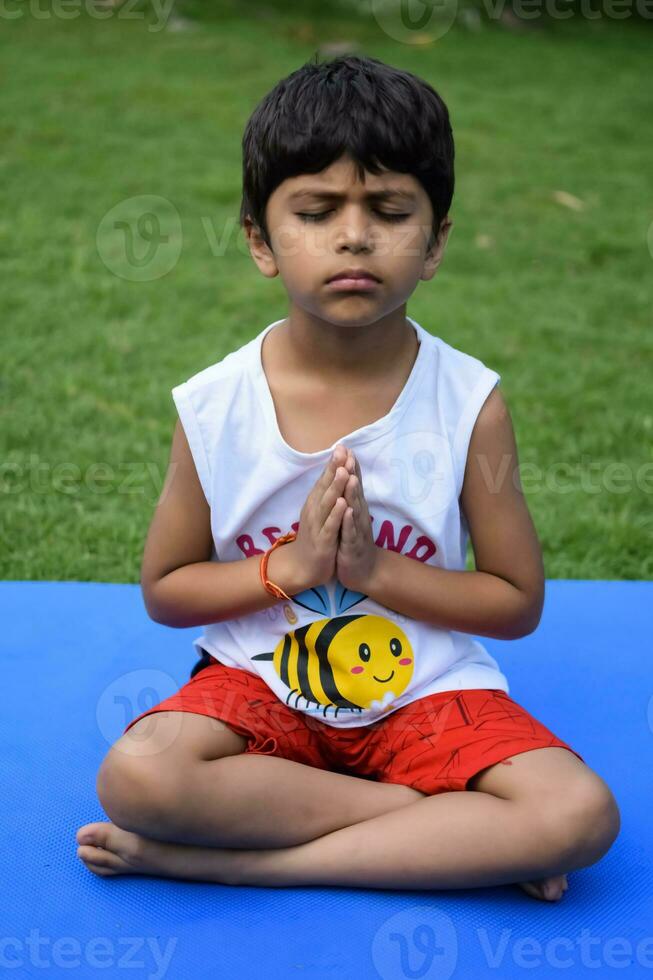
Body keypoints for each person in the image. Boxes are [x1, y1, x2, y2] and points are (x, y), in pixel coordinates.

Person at [76, 54, 620, 900]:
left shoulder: (467, 400)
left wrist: (373, 573)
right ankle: (442, 827)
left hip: (427, 697)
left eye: (390, 210)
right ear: (260, 239)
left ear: (435, 241)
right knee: (138, 778)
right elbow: (166, 590)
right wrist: (287, 570)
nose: (355, 234)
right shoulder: (216, 403)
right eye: (316, 210)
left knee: (578, 816)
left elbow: (515, 602)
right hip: (258, 684)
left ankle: (227, 863)